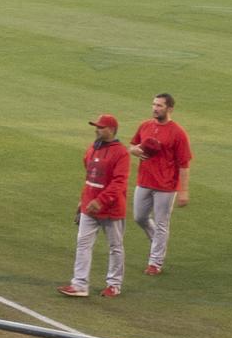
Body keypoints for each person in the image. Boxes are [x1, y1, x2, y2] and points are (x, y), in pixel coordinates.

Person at [60, 114, 131, 299]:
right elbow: (89, 177)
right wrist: (82, 200)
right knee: (83, 244)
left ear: (111, 130)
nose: (96, 129)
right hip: (89, 208)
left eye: (100, 127)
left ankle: (114, 285)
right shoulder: (92, 148)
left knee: (115, 246)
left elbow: (119, 183)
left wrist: (100, 200)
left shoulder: (121, 153)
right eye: (96, 126)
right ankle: (80, 284)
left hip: (111, 210)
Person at [130, 93, 193, 276]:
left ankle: (155, 262)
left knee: (161, 223)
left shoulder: (178, 133)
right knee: (139, 217)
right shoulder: (145, 125)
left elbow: (184, 163)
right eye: (154, 104)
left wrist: (183, 191)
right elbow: (132, 145)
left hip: (166, 185)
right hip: (144, 181)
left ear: (169, 109)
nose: (155, 108)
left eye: (159, 105)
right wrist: (134, 151)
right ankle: (157, 242)